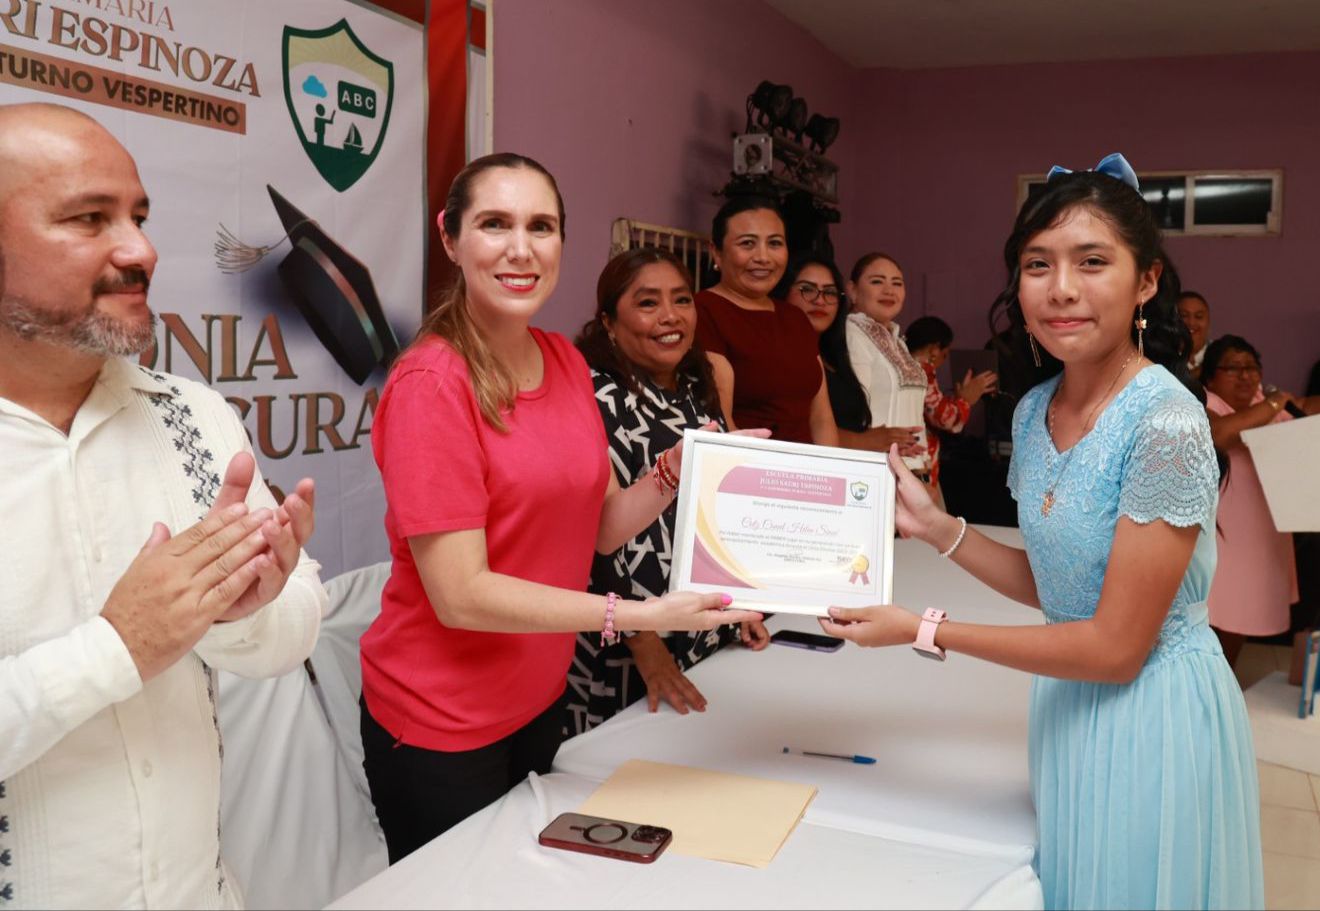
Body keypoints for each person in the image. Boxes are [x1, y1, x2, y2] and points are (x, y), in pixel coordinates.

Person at [819, 155, 1262, 910]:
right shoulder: (1035, 411)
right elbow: (1062, 585)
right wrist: (939, 528)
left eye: (1093, 262)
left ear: (1146, 281)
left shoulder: (1165, 422)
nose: (1061, 288)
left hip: (1153, 710)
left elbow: (1116, 646)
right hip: (1066, 703)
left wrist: (923, 627)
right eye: (1037, 264)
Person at [358, 153, 761, 863]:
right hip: (441, 722)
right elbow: (461, 595)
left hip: (538, 700)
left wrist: (676, 472)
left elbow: (601, 526)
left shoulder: (565, 359)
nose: (521, 247)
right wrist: (638, 616)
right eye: (495, 224)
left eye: (540, 226)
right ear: (451, 238)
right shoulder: (430, 383)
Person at [0, 103, 325, 908]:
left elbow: (290, 631)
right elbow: (130, 645)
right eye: (90, 219)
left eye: (139, 217)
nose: (141, 249)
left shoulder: (195, 414)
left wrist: (248, 608)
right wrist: (117, 647)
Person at [565, 248, 770, 736]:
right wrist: (643, 641)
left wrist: (739, 600)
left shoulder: (700, 383)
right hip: (624, 634)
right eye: (648, 303)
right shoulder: (591, 393)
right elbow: (589, 531)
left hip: (696, 618)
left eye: (681, 300)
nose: (671, 316)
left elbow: (717, 505)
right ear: (609, 322)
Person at [693, 196, 838, 445]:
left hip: (812, 474)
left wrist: (832, 476)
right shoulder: (702, 310)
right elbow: (723, 422)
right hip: (749, 472)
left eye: (774, 243)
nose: (763, 257)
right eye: (747, 243)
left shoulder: (795, 318)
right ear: (716, 252)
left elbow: (821, 419)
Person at [1200, 335, 1301, 669]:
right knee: (1213, 613)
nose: (1245, 375)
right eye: (1233, 368)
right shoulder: (1204, 403)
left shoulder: (1267, 406)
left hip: (1262, 533)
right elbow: (1221, 436)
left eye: (1251, 367)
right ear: (1211, 377)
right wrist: (1275, 402)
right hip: (1220, 535)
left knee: (1243, 613)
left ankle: (1223, 687)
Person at [844, 252, 930, 473]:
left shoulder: (896, 339)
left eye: (897, 283)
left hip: (914, 470)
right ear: (852, 290)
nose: (889, 290)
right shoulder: (852, 334)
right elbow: (853, 413)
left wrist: (925, 464)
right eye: (877, 282)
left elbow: (915, 413)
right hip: (875, 471)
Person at [903, 315, 998, 498]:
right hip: (917, 464)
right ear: (934, 350)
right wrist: (967, 399)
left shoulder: (903, 366)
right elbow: (946, 419)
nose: (943, 361)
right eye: (945, 354)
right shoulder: (921, 370)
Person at [1177, 290, 1210, 378]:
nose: (1191, 323)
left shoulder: (1221, 356)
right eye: (1184, 316)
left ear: (1208, 322)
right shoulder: (1159, 359)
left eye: (1198, 316)